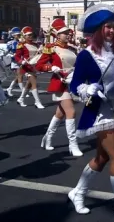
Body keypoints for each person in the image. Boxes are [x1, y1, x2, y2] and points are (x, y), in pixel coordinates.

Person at [68, 3, 114, 221]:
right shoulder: (86, 55)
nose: (113, 30)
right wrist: (87, 89)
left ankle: (78, 192)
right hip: (99, 112)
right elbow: (74, 86)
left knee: (101, 158)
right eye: (108, 27)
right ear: (99, 29)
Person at [35, 19, 83, 157]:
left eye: (68, 33)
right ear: (57, 35)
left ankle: (47, 137)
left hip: (72, 82)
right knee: (71, 112)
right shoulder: (51, 48)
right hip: (60, 83)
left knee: (60, 114)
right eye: (64, 33)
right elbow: (39, 66)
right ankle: (72, 145)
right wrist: (51, 67)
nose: (68, 35)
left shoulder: (71, 48)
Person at [14, 26, 45, 109]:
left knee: (29, 84)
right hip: (26, 67)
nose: (30, 36)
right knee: (34, 83)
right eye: (28, 35)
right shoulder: (21, 45)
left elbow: (39, 55)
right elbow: (16, 57)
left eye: (31, 35)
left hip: (34, 66)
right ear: (24, 36)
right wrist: (22, 61)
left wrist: (41, 50)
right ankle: (37, 102)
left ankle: (21, 98)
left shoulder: (36, 44)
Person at [5, 27, 25, 97]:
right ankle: (23, 92)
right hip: (15, 61)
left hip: (21, 61)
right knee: (20, 76)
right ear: (13, 35)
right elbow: (6, 53)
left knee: (19, 77)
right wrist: (12, 55)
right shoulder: (10, 43)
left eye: (19, 35)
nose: (19, 36)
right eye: (17, 35)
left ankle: (9, 89)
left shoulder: (22, 42)